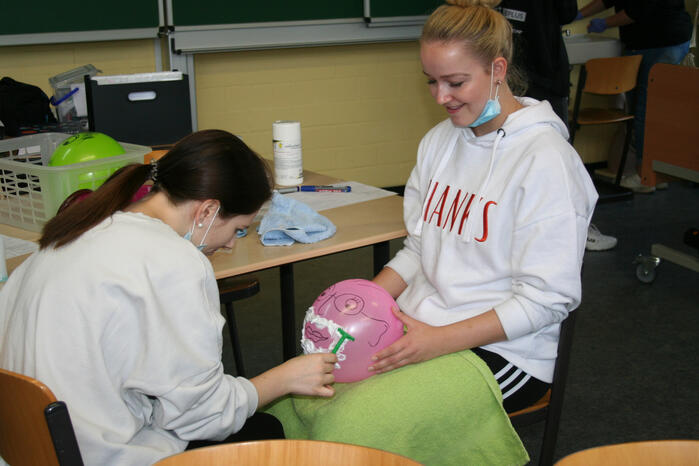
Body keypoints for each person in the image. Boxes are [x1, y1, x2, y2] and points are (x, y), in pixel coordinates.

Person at [0, 129, 337, 465]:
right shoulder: (174, 262)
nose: (232, 244)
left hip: (26, 446)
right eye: (237, 228)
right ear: (207, 210)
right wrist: (283, 379)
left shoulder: (79, 230)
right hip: (95, 455)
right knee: (266, 433)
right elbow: (205, 416)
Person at [369, 0, 598, 413]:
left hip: (508, 352)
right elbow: (419, 250)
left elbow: (546, 300)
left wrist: (436, 341)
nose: (441, 97)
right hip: (424, 327)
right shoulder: (439, 142)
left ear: (497, 69)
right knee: (325, 388)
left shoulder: (546, 162)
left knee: (375, 415)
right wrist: (362, 301)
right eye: (431, 81)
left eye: (455, 82)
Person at [495, 1, 617, 251]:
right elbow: (567, 12)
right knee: (542, 158)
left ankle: (575, 230)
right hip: (535, 77)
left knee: (551, 159)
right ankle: (566, 232)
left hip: (530, 76)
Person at [576, 0, 693, 193]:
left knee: (646, 111)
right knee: (649, 111)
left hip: (662, 42)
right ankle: (655, 174)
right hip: (657, 41)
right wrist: (578, 15)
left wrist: (605, 23)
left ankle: (645, 176)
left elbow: (636, 11)